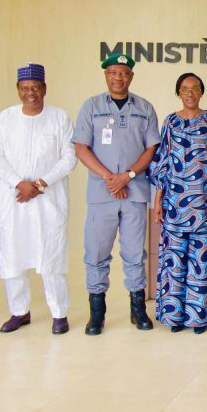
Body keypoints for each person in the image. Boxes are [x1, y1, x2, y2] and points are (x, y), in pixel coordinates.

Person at [72, 53, 160, 335]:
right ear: (106, 76)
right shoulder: (92, 106)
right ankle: (97, 314)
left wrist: (127, 176)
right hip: (102, 193)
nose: (118, 78)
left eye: (123, 72)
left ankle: (138, 310)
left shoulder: (144, 108)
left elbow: (152, 149)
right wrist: (109, 178)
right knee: (97, 252)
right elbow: (81, 147)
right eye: (113, 73)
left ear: (131, 76)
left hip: (134, 192)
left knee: (135, 253)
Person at [0, 63, 77, 335]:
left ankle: (59, 314)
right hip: (14, 199)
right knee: (13, 258)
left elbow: (69, 158)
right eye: (25, 88)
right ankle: (19, 312)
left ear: (45, 89)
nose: (31, 93)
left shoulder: (59, 118)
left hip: (48, 201)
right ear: (18, 90)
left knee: (52, 258)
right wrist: (19, 183)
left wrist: (39, 184)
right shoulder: (5, 118)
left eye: (36, 88)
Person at [149, 72, 207, 335]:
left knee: (202, 261)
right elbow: (162, 161)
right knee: (174, 260)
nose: (190, 93)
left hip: (205, 203)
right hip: (174, 204)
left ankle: (199, 317)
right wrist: (158, 201)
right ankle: (175, 316)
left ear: (201, 92)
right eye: (184, 89)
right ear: (178, 93)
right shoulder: (170, 121)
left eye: (194, 89)